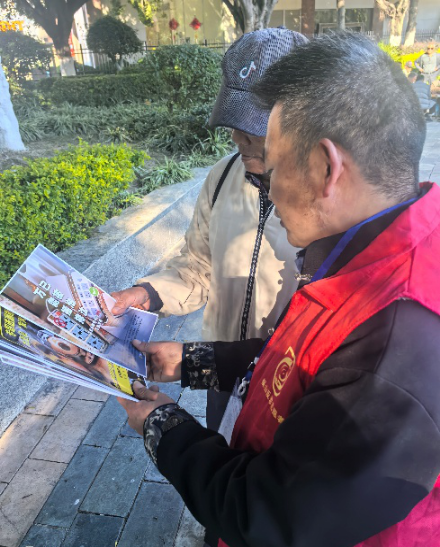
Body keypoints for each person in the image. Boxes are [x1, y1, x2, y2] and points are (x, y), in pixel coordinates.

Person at [119, 32, 440, 547]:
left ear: (325, 168)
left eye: (270, 163)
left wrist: (163, 427)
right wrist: (194, 361)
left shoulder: (396, 346)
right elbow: (298, 356)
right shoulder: (367, 252)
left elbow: (266, 514)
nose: (260, 178)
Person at [112, 28, 307, 430]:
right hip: (220, 370)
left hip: (288, 383)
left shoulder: (324, 200)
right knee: (223, 446)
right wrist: (147, 294)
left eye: (255, 125)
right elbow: (198, 267)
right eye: (234, 122)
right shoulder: (221, 177)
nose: (238, 137)